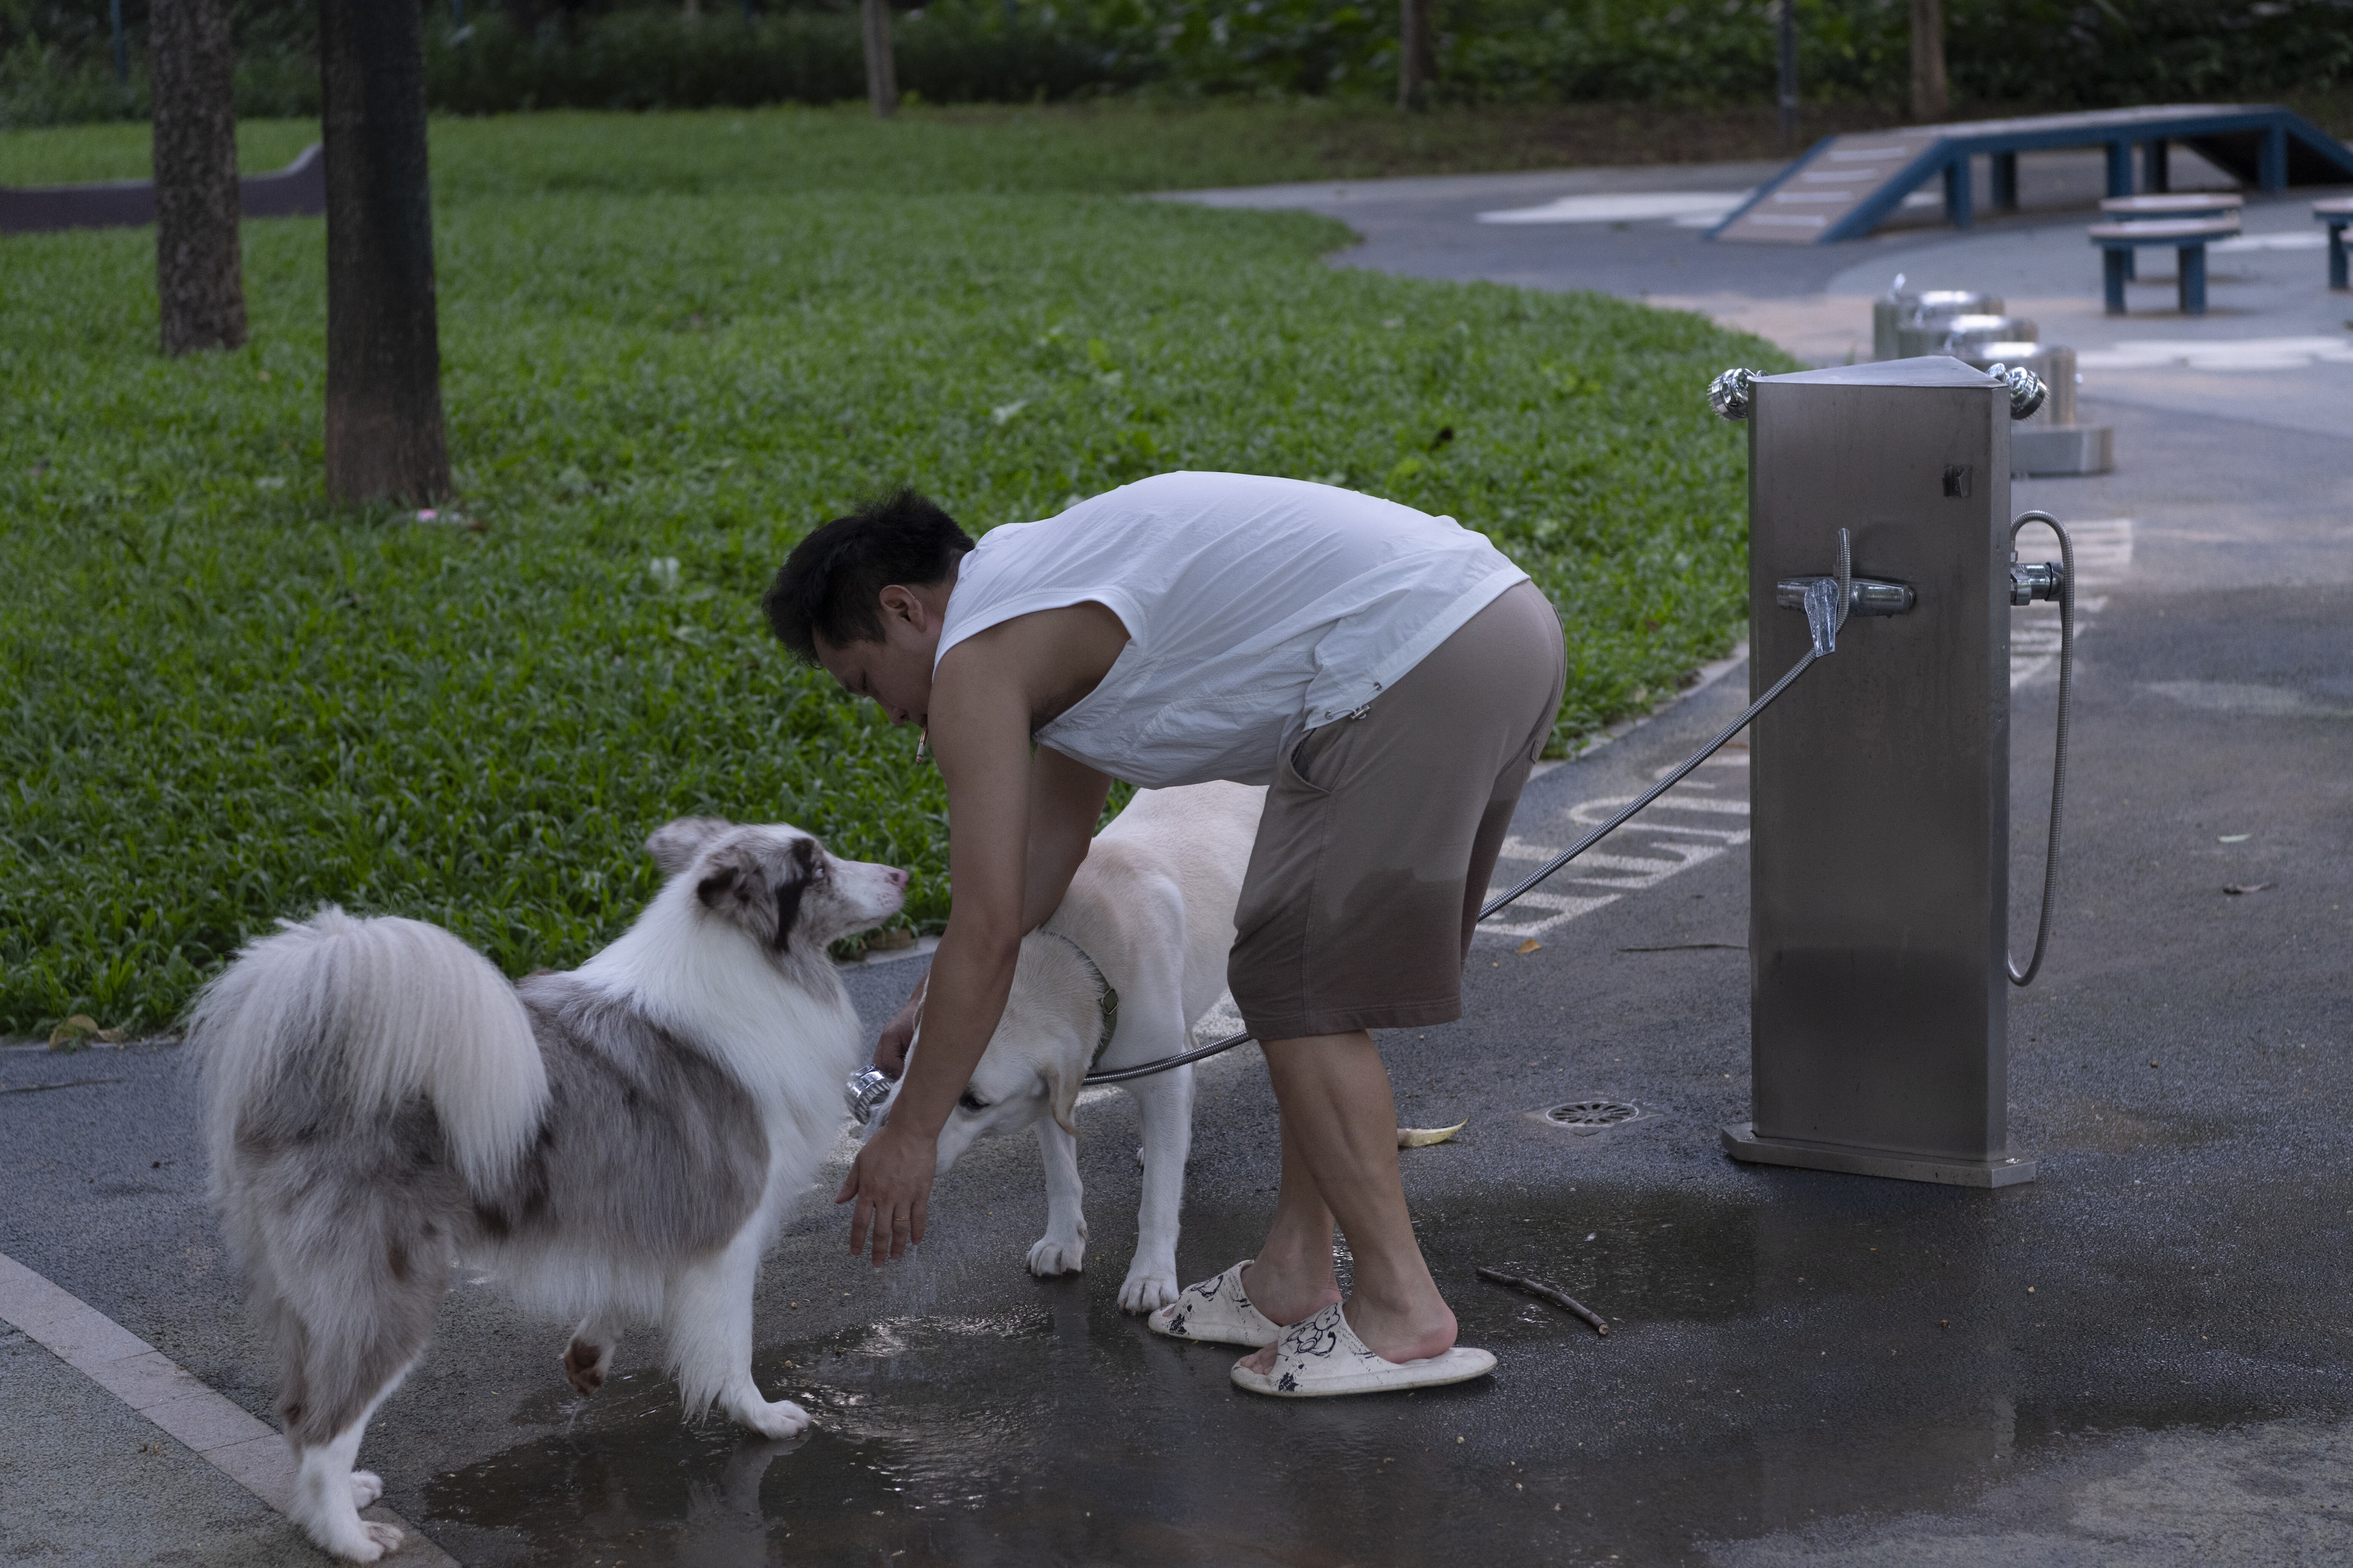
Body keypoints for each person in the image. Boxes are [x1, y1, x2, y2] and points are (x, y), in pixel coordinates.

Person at [762, 471, 1564, 1397]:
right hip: (1490, 628)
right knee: (1308, 972)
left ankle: (1402, 1310)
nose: (890, 712)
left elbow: (985, 923)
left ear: (904, 609)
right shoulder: (1043, 597)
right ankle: (1292, 1276)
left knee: (1296, 977)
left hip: (1417, 656)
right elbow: (1045, 858)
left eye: (866, 681)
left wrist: (911, 1130)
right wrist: (931, 997)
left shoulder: (978, 659)